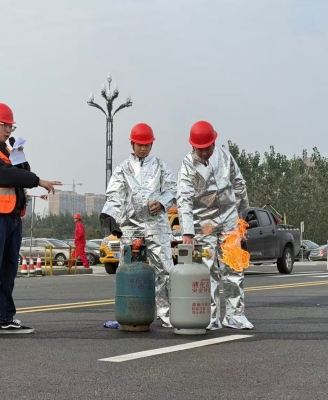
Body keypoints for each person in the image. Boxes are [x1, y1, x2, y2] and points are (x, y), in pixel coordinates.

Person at [0, 102, 61, 338]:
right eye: (3, 125)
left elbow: (19, 172)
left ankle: (6, 318)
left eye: (11, 126)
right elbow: (3, 174)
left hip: (11, 217)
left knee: (7, 269)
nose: (8, 130)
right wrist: (37, 180)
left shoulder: (6, 151)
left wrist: (18, 155)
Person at [177, 120, 254, 330]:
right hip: (204, 226)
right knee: (207, 272)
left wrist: (240, 217)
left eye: (207, 149)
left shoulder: (225, 156)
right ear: (193, 146)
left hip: (229, 222)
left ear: (214, 143)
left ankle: (235, 315)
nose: (204, 153)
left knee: (234, 269)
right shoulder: (187, 165)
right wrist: (188, 233)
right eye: (200, 149)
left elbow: (239, 184)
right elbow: (183, 199)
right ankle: (209, 317)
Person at [101, 123, 177, 327]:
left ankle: (165, 312)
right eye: (139, 144)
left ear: (152, 144)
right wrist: (111, 216)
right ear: (132, 143)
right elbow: (114, 194)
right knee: (128, 272)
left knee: (165, 270)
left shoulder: (161, 166)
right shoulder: (123, 169)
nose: (143, 148)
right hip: (131, 228)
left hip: (157, 226)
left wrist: (162, 202)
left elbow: (173, 189)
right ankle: (128, 311)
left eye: (147, 144)